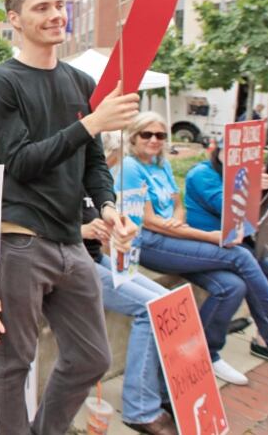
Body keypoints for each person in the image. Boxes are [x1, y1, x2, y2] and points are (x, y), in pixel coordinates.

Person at [0, 0, 139, 434]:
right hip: (21, 241)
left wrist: (107, 208)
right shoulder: (1, 81)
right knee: (13, 364)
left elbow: (93, 163)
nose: (56, 14)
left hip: (73, 242)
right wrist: (90, 123)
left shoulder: (81, 82)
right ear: (15, 19)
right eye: (42, 7)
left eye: (60, 5)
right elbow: (21, 162)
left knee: (92, 357)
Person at [119, 111, 268, 387]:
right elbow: (151, 222)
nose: (154, 140)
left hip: (176, 238)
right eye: (146, 134)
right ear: (133, 136)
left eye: (160, 135)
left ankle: (207, 354)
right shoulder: (131, 166)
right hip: (148, 244)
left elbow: (178, 204)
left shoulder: (160, 164)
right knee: (240, 256)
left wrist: (178, 222)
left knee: (232, 286)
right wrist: (207, 236)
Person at [184, 137, 268, 366]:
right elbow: (226, 208)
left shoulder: (242, 174)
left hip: (244, 239)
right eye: (231, 152)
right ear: (217, 151)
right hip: (217, 241)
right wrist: (252, 187)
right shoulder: (201, 174)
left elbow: (260, 214)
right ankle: (265, 340)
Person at [87, 131, 174, 434]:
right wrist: (85, 230)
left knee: (169, 300)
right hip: (75, 264)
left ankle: (166, 391)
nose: (112, 166)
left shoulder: (98, 178)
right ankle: (140, 408)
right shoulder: (58, 166)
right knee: (150, 309)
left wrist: (116, 232)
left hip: (96, 257)